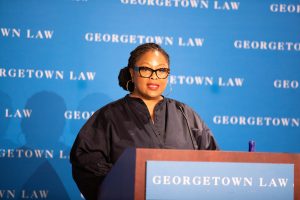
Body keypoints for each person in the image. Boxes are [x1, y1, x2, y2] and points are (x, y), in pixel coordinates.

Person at [70, 43, 219, 200]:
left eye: (162, 70)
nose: (154, 76)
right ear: (132, 73)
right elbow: (87, 165)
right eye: (146, 69)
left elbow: (213, 161)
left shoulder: (186, 114)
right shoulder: (108, 116)